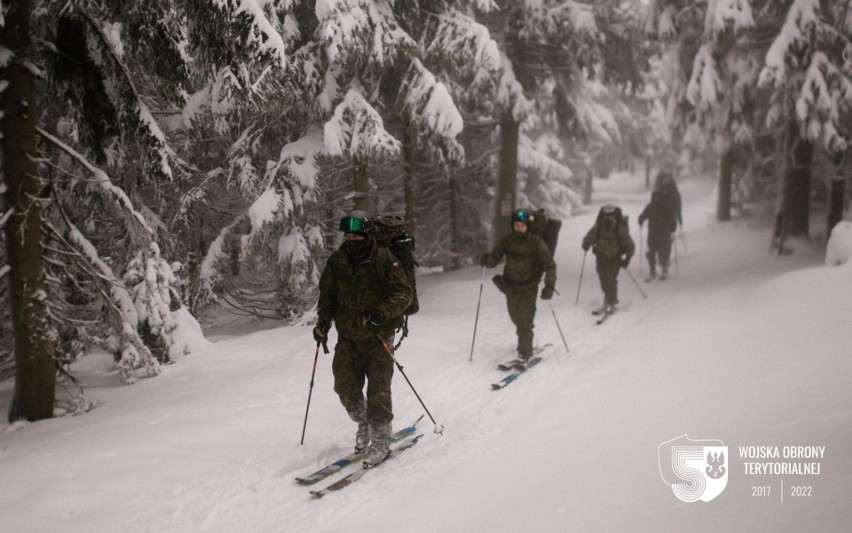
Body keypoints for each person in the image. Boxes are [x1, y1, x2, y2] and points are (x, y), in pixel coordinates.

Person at [313, 213, 414, 467]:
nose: (351, 240)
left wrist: (381, 313)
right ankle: (364, 423)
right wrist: (323, 322)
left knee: (378, 389)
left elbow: (404, 294)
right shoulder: (337, 261)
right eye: (347, 236)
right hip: (347, 337)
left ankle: (381, 439)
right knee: (345, 388)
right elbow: (327, 296)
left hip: (378, 335)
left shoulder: (383, 259)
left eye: (356, 236)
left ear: (367, 236)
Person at [480, 209, 557, 361]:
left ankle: (524, 352)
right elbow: (494, 258)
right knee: (515, 317)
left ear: (527, 225)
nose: (519, 227)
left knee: (524, 320)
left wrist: (549, 286)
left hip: (529, 286)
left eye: (522, 225)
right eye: (516, 224)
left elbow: (550, 265)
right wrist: (486, 260)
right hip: (510, 286)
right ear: (513, 225)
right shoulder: (507, 240)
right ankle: (525, 341)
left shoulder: (536, 242)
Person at [581, 205, 635, 314]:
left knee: (610, 279)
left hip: (615, 259)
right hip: (600, 258)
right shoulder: (598, 228)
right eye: (606, 218)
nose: (608, 220)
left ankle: (611, 301)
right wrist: (586, 243)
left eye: (610, 218)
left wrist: (627, 258)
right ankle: (609, 297)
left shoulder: (620, 229)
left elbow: (630, 245)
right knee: (604, 280)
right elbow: (589, 237)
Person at [638, 190, 678, 280]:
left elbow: (672, 217)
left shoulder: (666, 206)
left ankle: (664, 269)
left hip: (664, 233)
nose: (657, 199)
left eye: (658, 197)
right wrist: (640, 219)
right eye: (655, 197)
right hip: (653, 233)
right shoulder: (650, 207)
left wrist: (673, 227)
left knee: (663, 251)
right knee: (651, 252)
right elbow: (643, 215)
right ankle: (652, 270)